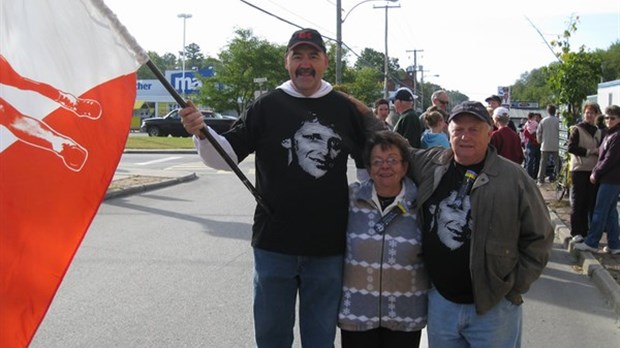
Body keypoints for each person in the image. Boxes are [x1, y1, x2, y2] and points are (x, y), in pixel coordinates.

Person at [179, 28, 383, 348]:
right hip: (273, 245)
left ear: (325, 62)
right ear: (286, 62)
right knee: (272, 338)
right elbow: (226, 156)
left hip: (328, 247)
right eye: (297, 56)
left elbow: (367, 169)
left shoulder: (344, 109)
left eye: (312, 56)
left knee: (320, 340)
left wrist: (361, 218)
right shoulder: (267, 105)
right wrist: (201, 132)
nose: (305, 63)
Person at [409, 100, 554, 347]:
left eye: (474, 129)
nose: (465, 136)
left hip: (494, 309)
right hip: (441, 304)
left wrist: (513, 287)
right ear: (448, 133)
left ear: (489, 132)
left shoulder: (514, 177)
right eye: (458, 130)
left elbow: (540, 237)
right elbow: (392, 147)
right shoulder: (432, 164)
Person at [338, 130, 428, 348]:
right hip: (357, 315)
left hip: (406, 315)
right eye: (377, 161)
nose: (385, 167)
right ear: (368, 169)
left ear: (405, 167)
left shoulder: (422, 203)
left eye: (392, 160)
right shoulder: (350, 198)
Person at [574, 105, 620, 254]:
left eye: (612, 118)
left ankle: (592, 242)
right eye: (607, 117)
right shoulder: (609, 134)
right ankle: (614, 245)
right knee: (611, 212)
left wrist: (596, 173)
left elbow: (609, 159)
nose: (609, 120)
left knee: (600, 210)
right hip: (609, 178)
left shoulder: (617, 136)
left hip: (611, 179)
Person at [567, 102, 603, 243]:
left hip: (593, 170)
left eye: (592, 113)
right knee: (578, 202)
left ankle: (586, 230)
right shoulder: (577, 129)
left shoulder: (598, 131)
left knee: (590, 202)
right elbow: (571, 147)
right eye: (587, 112)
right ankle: (576, 231)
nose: (589, 115)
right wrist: (590, 152)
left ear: (596, 115)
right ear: (584, 114)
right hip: (580, 169)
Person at [536, 104, 560, 184]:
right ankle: (558, 178)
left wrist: (539, 141)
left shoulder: (543, 121)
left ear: (547, 111)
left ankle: (540, 179)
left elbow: (539, 132)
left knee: (543, 163)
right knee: (557, 162)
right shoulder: (558, 121)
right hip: (556, 145)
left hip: (545, 144)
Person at [523, 112, 541, 179]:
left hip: (529, 142)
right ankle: (535, 175)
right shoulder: (536, 123)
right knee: (537, 160)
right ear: (533, 117)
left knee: (529, 160)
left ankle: (528, 175)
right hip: (535, 142)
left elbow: (525, 133)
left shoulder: (527, 123)